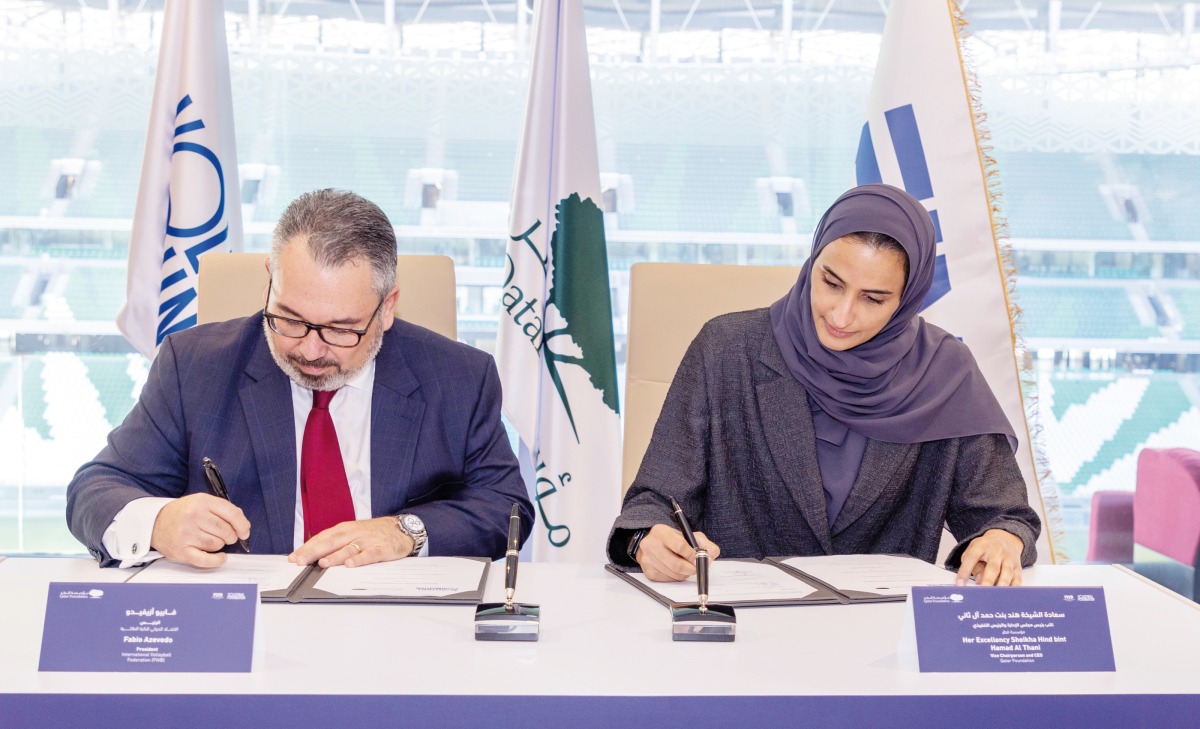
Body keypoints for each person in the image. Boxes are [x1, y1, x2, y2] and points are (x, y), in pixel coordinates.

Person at [67, 189, 533, 568]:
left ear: (387, 307)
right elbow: (95, 489)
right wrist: (159, 521)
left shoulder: (459, 377)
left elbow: (506, 508)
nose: (310, 350)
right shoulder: (193, 366)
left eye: (341, 330)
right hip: (249, 623)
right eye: (289, 318)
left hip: (399, 626)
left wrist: (404, 532)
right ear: (271, 280)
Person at [608, 184, 1040, 587]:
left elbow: (1003, 514)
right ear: (811, 263)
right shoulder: (726, 349)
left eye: (874, 299)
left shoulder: (944, 371)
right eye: (831, 283)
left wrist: (1003, 540)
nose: (841, 315)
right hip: (744, 630)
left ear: (909, 297)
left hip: (884, 634)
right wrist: (646, 538)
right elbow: (653, 501)